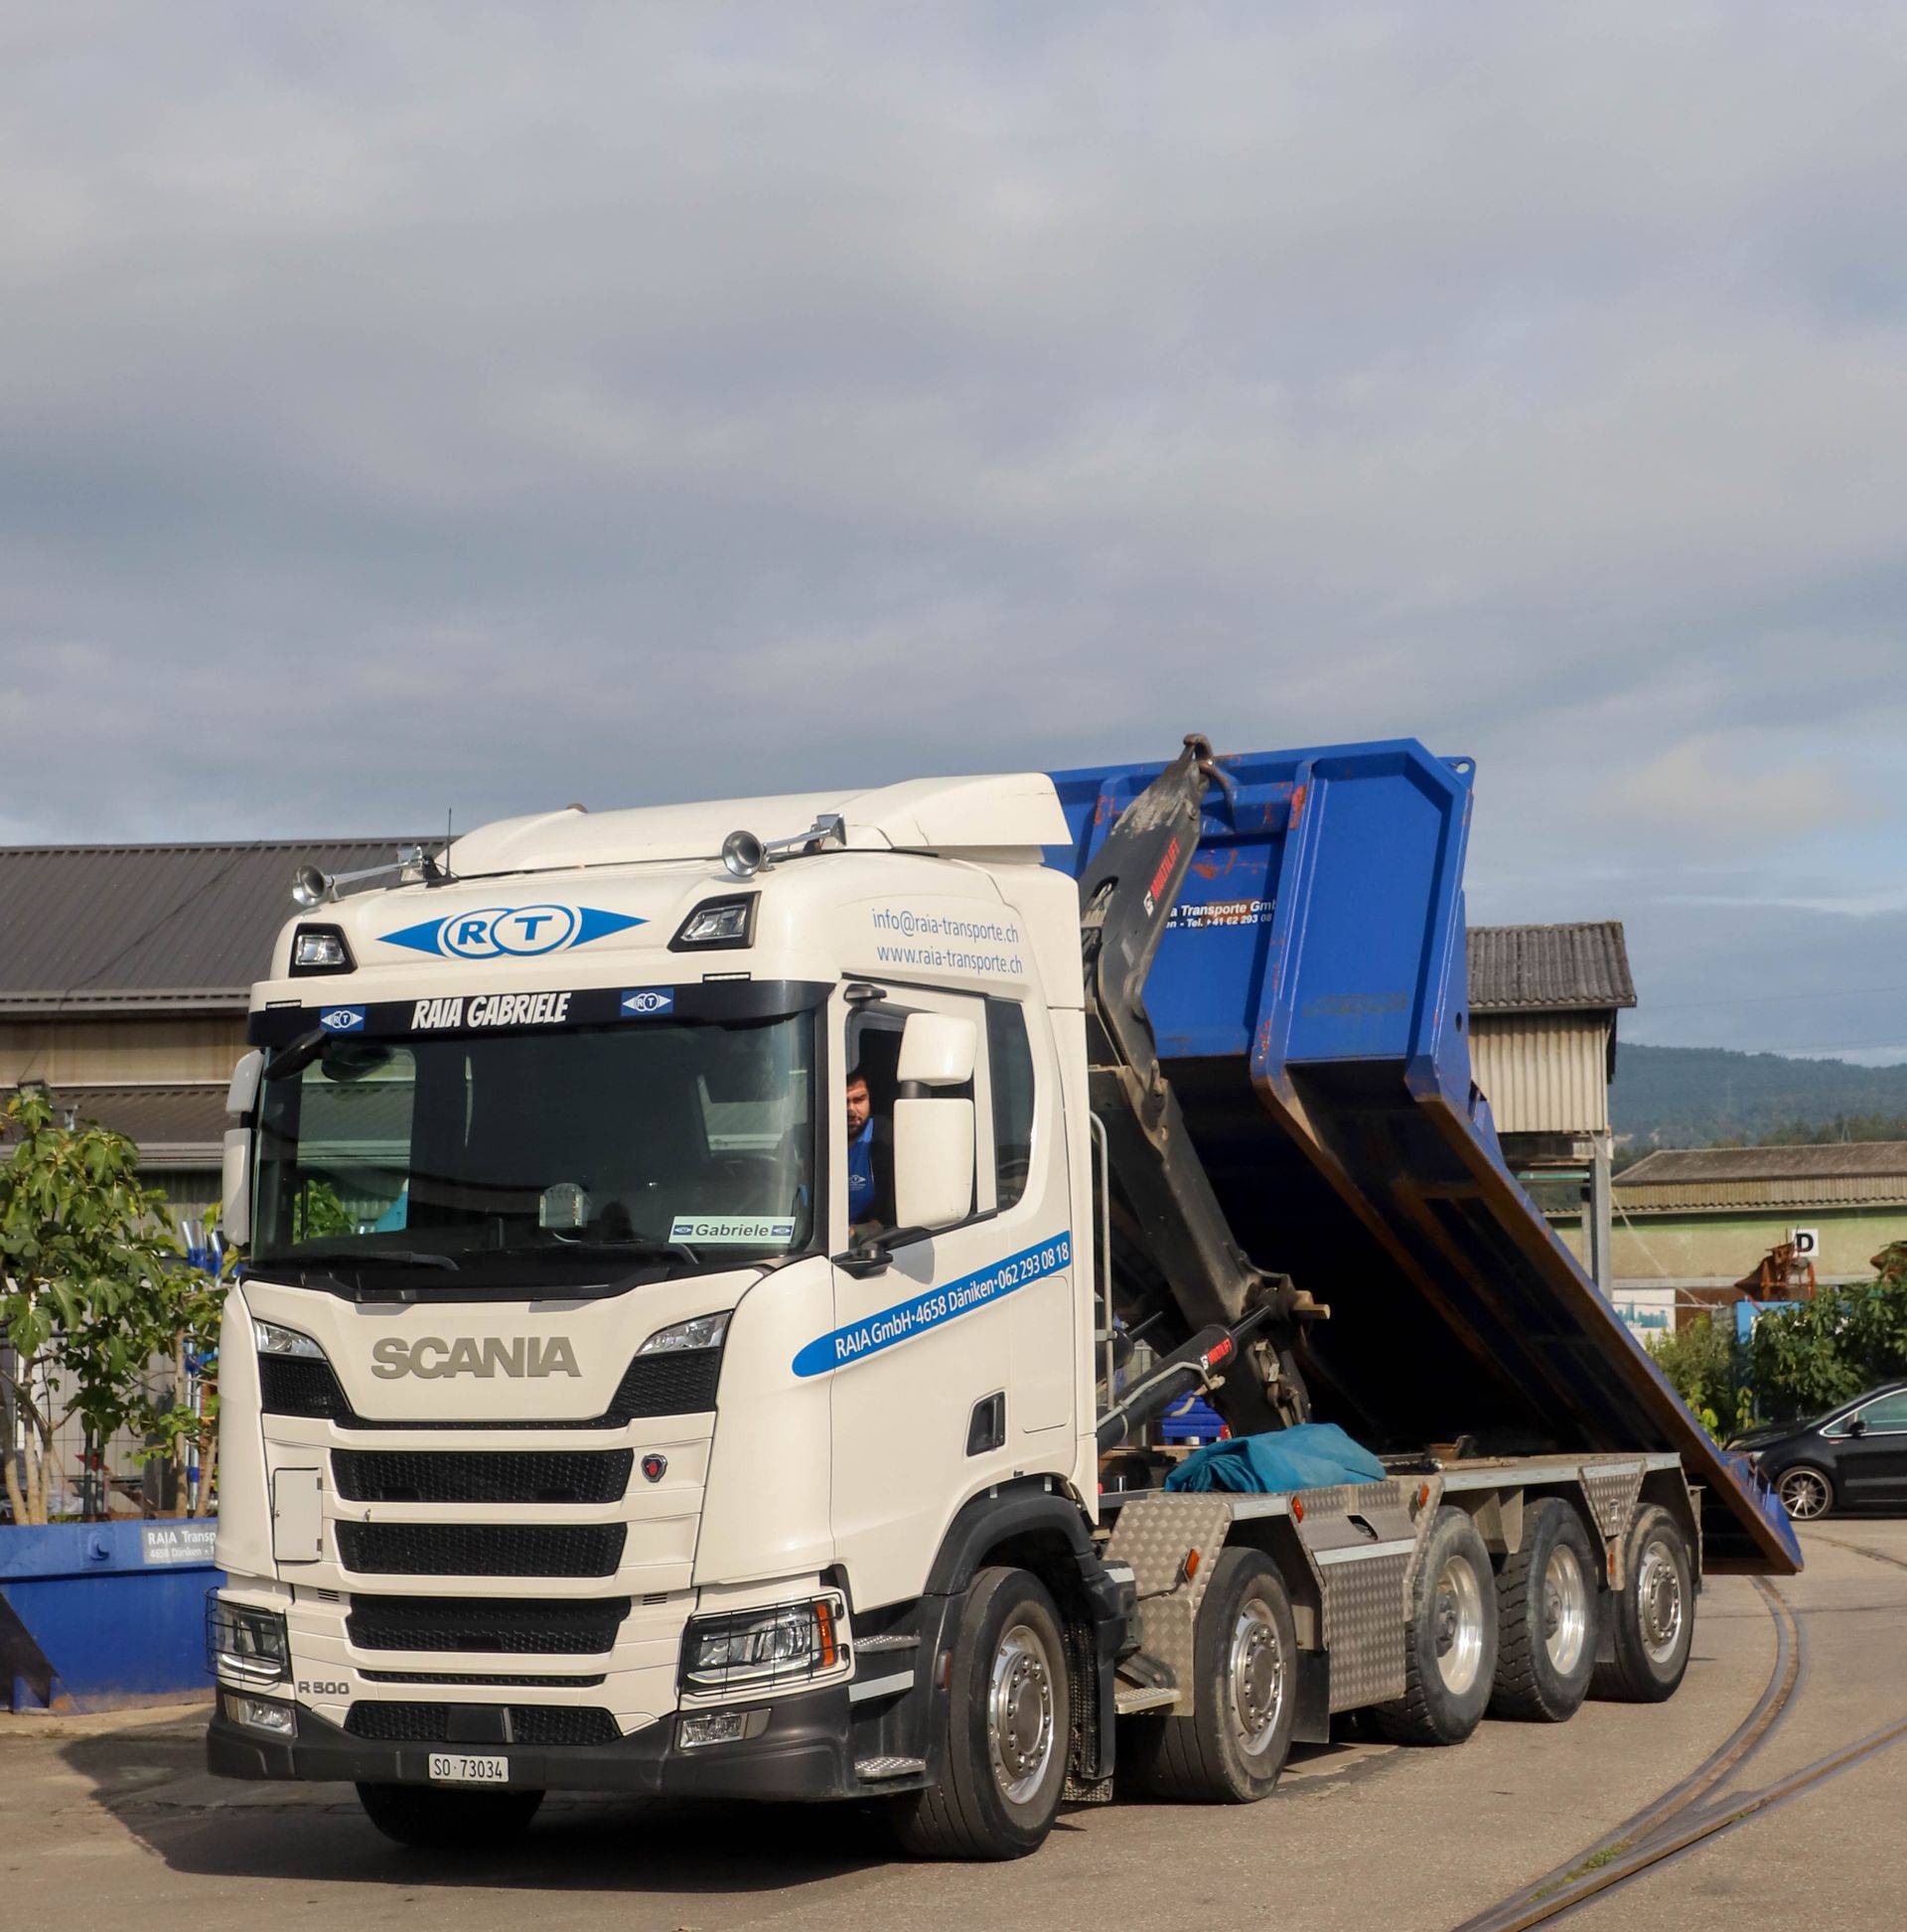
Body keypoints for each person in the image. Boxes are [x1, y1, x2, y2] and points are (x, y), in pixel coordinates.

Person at [845, 1067, 877, 1225]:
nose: (850, 1110)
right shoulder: (799, 1142)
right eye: (843, 1101)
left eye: (858, 1100)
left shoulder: (886, 1140)